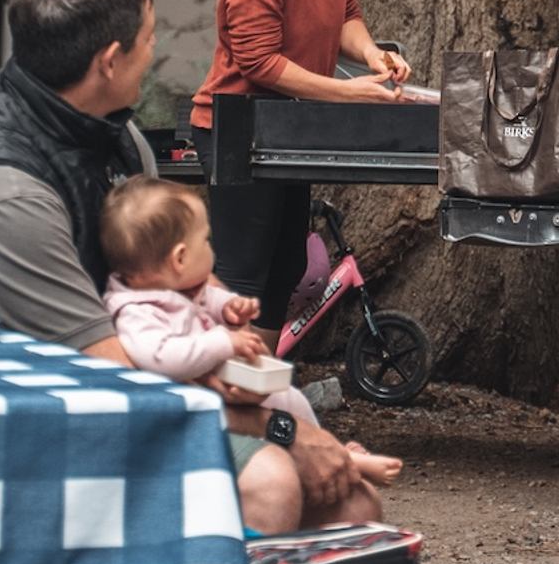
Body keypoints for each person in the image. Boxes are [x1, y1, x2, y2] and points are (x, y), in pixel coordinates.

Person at [0, 0, 370, 522]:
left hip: (104, 395)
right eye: (149, 37)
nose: (157, 50)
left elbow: (187, 278)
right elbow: (115, 376)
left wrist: (240, 356)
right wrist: (283, 428)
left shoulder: (115, 136)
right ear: (111, 61)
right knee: (271, 479)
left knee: (350, 495)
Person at [191, 0, 411, 331]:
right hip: (235, 126)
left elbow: (346, 15)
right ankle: (227, 398)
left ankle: (260, 395)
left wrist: (373, 56)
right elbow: (257, 61)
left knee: (286, 268)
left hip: (290, 126)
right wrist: (345, 93)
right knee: (243, 273)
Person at [98, 172, 400, 532]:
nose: (212, 252)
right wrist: (224, 343)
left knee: (287, 396)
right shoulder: (135, 310)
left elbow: (211, 297)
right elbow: (161, 356)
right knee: (276, 450)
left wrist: (231, 307)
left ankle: (332, 451)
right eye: (206, 243)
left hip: (218, 388)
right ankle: (341, 460)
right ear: (179, 259)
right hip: (179, 407)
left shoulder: (180, 287)